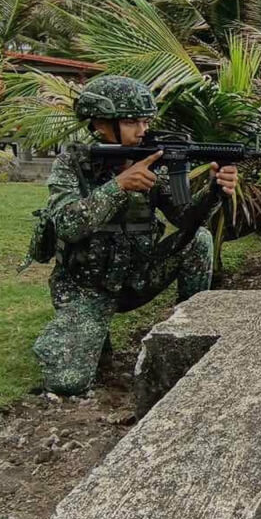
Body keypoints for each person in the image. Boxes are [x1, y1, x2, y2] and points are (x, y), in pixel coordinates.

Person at [32, 76, 238, 396]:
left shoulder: (150, 160)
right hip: (87, 287)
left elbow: (184, 219)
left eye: (145, 120)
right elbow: (67, 225)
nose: (142, 129)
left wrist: (214, 191)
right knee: (67, 383)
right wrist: (119, 186)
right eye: (131, 121)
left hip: (136, 277)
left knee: (199, 240)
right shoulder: (73, 162)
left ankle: (188, 332)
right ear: (101, 123)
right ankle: (80, 336)